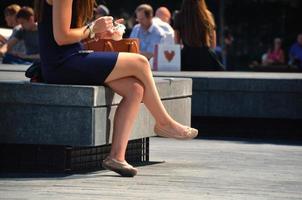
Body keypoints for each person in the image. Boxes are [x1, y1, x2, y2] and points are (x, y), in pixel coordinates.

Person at [34, 0, 198, 177]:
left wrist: (100, 34)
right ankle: (164, 123)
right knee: (141, 62)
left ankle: (116, 157)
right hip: (62, 64)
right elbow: (61, 37)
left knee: (135, 90)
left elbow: (69, 37)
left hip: (72, 58)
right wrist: (92, 28)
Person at [174, 0, 224, 71]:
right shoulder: (208, 15)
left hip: (186, 58)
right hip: (207, 58)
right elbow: (213, 44)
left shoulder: (179, 16)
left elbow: (176, 43)